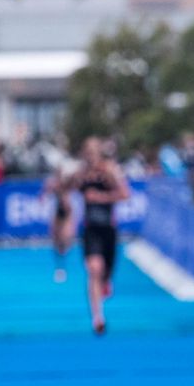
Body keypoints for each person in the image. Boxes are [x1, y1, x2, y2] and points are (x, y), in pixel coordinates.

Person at [73, 137, 129, 333]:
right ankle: (98, 317)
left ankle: (106, 281)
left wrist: (101, 197)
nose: (90, 156)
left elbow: (124, 194)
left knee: (105, 271)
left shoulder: (110, 171)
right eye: (87, 152)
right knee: (94, 269)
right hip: (90, 229)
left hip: (108, 228)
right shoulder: (82, 175)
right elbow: (69, 192)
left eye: (93, 152)